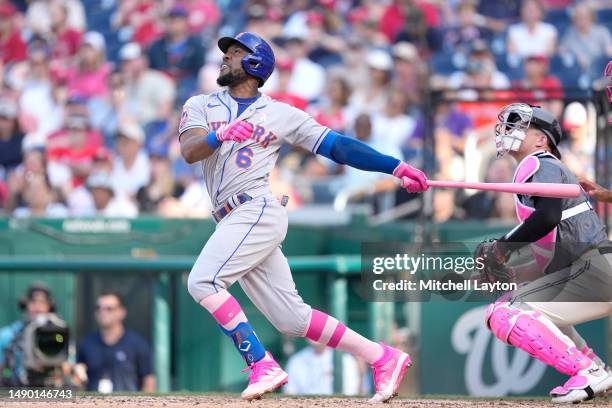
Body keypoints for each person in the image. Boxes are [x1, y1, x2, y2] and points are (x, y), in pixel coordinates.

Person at [179, 32, 428, 402]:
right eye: (227, 53)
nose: (225, 59)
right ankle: (382, 356)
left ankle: (260, 363)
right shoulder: (201, 104)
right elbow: (189, 150)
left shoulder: (280, 113)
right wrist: (221, 134)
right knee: (292, 320)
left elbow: (338, 147)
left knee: (202, 282)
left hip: (256, 208)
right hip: (230, 216)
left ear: (254, 64)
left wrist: (394, 167)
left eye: (234, 54)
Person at [476, 103, 612, 403]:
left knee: (506, 312)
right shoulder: (539, 168)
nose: (510, 131)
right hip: (596, 267)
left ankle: (589, 371)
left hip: (596, 267)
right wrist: (513, 272)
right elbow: (554, 250)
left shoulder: (538, 162)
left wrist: (500, 248)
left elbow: (547, 217)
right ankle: (598, 370)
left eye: (520, 126)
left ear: (542, 140)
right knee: (519, 304)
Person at [76, 292, 155, 393]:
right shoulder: (86, 343)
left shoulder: (137, 344)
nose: (102, 312)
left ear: (121, 312)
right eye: (98, 308)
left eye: (109, 309)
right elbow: (79, 379)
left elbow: (148, 380)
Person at [0, 283, 55, 385]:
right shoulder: (8, 336)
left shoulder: (57, 333)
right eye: (33, 302)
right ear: (25, 304)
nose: (38, 307)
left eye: (42, 302)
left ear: (49, 306)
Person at [283, 340, 361, 395]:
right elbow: (289, 392)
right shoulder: (296, 360)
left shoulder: (345, 359)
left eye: (317, 329)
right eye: (310, 329)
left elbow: (350, 393)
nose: (313, 333)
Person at [110, 122, 150, 198]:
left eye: (126, 142)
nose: (121, 145)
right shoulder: (114, 163)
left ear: (138, 143)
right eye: (119, 141)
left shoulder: (148, 162)